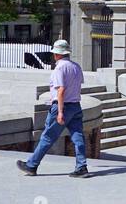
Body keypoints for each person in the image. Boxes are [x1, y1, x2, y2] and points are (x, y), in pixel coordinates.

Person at [16, 39, 88, 177]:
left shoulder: (59, 68)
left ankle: (31, 165)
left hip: (62, 106)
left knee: (48, 137)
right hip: (76, 106)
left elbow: (61, 90)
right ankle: (81, 166)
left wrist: (60, 112)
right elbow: (78, 87)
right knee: (78, 137)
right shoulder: (76, 67)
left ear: (57, 54)